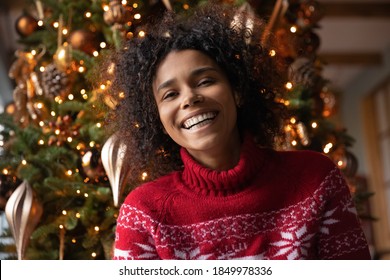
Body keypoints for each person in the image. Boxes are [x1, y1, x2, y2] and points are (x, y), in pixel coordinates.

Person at [107, 3, 371, 260]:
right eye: (170, 94)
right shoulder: (143, 212)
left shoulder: (316, 180)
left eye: (206, 81)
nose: (189, 98)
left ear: (237, 91)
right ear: (158, 118)